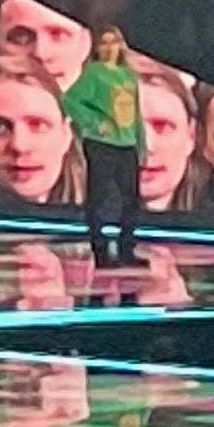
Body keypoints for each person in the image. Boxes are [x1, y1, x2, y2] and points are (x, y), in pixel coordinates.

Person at [62, 24, 147, 268]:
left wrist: (141, 144)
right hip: (102, 145)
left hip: (127, 143)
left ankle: (126, 249)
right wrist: (93, 121)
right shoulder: (94, 73)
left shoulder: (128, 75)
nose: (110, 47)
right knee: (98, 199)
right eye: (105, 42)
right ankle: (100, 251)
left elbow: (136, 113)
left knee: (131, 200)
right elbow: (69, 100)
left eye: (114, 42)